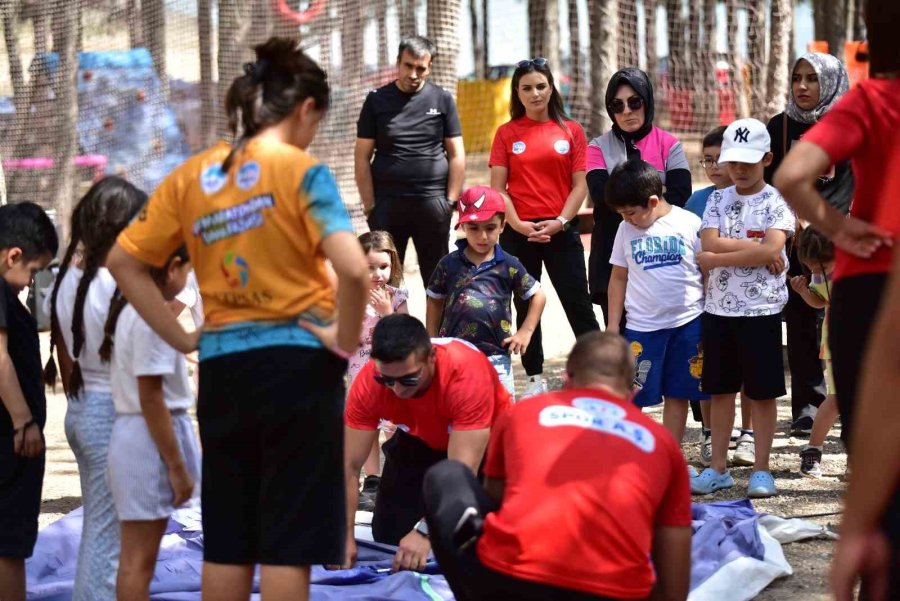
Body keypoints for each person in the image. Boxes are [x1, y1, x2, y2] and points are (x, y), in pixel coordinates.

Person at [107, 37, 370, 601]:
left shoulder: (193, 174)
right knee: (287, 542)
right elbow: (353, 268)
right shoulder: (300, 169)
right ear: (305, 109)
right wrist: (343, 340)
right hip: (299, 367)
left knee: (229, 539)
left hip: (224, 373)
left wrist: (181, 334)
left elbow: (123, 260)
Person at [421, 331, 691, 601]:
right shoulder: (663, 443)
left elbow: (495, 501)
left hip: (511, 582)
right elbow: (675, 574)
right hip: (613, 592)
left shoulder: (522, 413)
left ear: (565, 380)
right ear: (632, 393)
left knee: (447, 475)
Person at [341, 314, 511, 573]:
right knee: (389, 537)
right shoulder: (368, 383)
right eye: (387, 380)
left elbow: (459, 473)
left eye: (409, 379)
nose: (397, 390)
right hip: (421, 438)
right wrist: (343, 535)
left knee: (471, 542)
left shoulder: (465, 375)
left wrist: (424, 531)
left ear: (432, 357)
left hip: (486, 446)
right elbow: (348, 466)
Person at [44, 176, 147, 600]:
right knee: (112, 539)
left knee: (100, 531)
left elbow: (67, 361)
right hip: (114, 415)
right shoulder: (119, 284)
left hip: (84, 410)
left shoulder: (67, 280)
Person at [692, 118, 795, 498]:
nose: (738, 169)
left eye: (748, 162)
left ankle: (761, 469)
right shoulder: (717, 198)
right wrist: (756, 251)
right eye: (732, 161)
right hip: (719, 311)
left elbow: (767, 249)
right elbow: (709, 241)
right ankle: (717, 467)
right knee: (720, 391)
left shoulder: (777, 201)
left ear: (767, 158)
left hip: (762, 312)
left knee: (762, 393)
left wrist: (720, 255)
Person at [489, 57, 598, 397]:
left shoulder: (571, 130)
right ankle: (535, 377)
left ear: (552, 88)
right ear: (517, 93)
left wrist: (562, 221)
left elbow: (580, 185)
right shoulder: (506, 133)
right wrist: (519, 225)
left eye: (541, 86)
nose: (535, 93)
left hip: (561, 230)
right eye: (527, 88)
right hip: (520, 234)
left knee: (577, 302)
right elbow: (498, 189)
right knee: (524, 304)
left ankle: (595, 373)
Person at [102, 245, 201, 599]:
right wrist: (177, 466)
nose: (189, 279)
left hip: (140, 436)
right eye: (188, 270)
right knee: (138, 560)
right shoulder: (149, 317)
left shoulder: (138, 312)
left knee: (137, 558)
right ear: (173, 268)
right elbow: (151, 396)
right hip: (148, 442)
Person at [765, 52, 852, 437]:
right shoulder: (779, 126)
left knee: (845, 323)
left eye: (812, 79)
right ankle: (807, 406)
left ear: (830, 82)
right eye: (797, 77)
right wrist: (791, 218)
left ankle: (849, 403)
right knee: (801, 321)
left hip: (842, 242)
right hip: (795, 239)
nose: (802, 86)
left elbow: (860, 183)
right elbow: (767, 183)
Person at [605, 159, 708, 458]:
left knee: (679, 393)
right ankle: (631, 454)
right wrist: (613, 326)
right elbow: (618, 277)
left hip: (688, 324)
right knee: (634, 393)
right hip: (643, 328)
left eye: (631, 213)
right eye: (622, 214)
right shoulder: (625, 230)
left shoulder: (689, 223)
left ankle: (669, 456)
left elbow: (705, 273)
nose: (627, 219)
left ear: (652, 201)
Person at [355, 35, 465, 288]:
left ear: (429, 67)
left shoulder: (442, 99)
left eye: (421, 68)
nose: (414, 73)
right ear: (398, 63)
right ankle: (389, 328)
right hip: (387, 204)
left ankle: (436, 330)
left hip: (433, 204)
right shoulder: (376, 100)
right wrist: (370, 204)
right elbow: (361, 156)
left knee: (438, 283)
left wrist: (449, 202)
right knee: (385, 282)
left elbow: (457, 154)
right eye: (408, 65)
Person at [587, 68, 692, 328]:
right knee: (621, 336)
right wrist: (653, 193)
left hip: (663, 258)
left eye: (634, 102)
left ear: (647, 101)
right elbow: (601, 195)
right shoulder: (596, 147)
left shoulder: (669, 144)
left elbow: (680, 193)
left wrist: (622, 193)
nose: (627, 111)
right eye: (617, 105)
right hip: (613, 254)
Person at [426, 185, 546, 397]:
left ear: (502, 225)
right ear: (462, 226)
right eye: (473, 228)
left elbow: (538, 295)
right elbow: (434, 301)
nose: (482, 236)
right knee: (458, 411)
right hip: (453, 356)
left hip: (496, 355)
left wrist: (526, 332)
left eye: (490, 228)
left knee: (500, 415)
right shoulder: (448, 264)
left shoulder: (509, 264)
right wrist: (432, 341)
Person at [683, 129, 752, 469]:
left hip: (749, 300)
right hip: (706, 301)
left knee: (748, 371)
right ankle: (710, 433)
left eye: (718, 160)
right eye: (706, 160)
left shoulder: (757, 199)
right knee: (710, 371)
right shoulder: (697, 202)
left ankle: (748, 435)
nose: (712, 167)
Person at [0, 202, 57, 601]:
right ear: (13, 255)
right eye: (33, 273)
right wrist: (23, 421)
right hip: (10, 443)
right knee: (8, 545)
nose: (29, 283)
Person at [348, 230, 409, 512]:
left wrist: (387, 313)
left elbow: (407, 334)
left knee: (393, 426)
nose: (377, 274)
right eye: (369, 267)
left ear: (392, 265)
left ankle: (399, 478)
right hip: (360, 379)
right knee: (366, 427)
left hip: (391, 378)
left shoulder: (396, 297)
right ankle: (372, 480)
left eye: (383, 267)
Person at [787, 228, 839, 479]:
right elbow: (820, 301)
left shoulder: (858, 270)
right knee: (837, 397)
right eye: (812, 270)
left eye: (822, 268)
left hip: (872, 341)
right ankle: (813, 450)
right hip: (839, 341)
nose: (818, 273)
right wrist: (804, 291)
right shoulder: (819, 274)